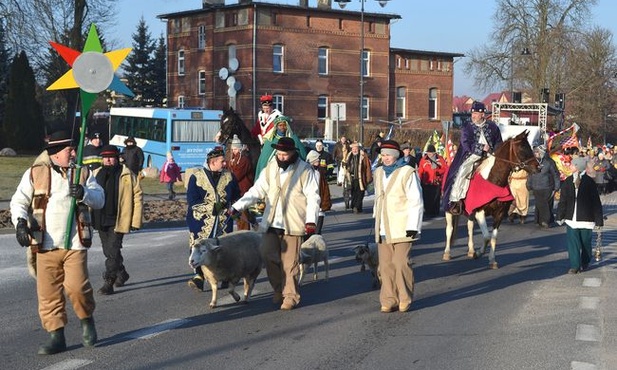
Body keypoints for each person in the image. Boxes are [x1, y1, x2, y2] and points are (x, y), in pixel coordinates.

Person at [10, 130, 104, 355]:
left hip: (74, 243)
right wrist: (21, 224)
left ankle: (86, 319)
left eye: (73, 149)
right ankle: (56, 336)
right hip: (45, 243)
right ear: (55, 153)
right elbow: (18, 201)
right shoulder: (35, 173)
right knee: (48, 293)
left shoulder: (82, 173)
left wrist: (83, 193)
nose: (73, 153)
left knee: (77, 287)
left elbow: (99, 199)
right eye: (68, 150)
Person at [230, 137, 320, 310]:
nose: (282, 157)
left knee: (290, 262)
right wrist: (237, 207)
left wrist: (310, 221)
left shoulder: (305, 170)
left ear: (293, 153)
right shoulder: (271, 168)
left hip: (293, 222)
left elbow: (313, 197)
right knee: (267, 254)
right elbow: (257, 190)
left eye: (285, 154)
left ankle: (290, 296)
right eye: (279, 154)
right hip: (272, 221)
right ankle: (278, 288)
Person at [372, 140, 423, 313]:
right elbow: (379, 198)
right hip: (383, 226)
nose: (385, 158)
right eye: (383, 155)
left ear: (395, 156)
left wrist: (413, 226)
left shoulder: (407, 172)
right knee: (385, 266)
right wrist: (376, 218)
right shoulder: (378, 172)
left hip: (402, 226)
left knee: (401, 263)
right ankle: (388, 299)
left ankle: (404, 297)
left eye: (388, 155)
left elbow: (415, 200)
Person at [186, 147, 241, 291]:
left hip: (223, 221)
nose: (225, 164)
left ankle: (224, 276)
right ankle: (199, 277)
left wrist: (236, 209)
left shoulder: (229, 176)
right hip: (201, 222)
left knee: (221, 249)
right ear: (213, 162)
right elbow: (193, 201)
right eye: (222, 161)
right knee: (199, 247)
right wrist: (212, 208)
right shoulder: (196, 177)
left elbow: (236, 195)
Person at [92, 145, 143, 295]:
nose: (108, 160)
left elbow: (137, 197)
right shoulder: (95, 173)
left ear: (117, 158)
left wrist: (135, 221)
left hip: (119, 219)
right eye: (105, 157)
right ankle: (122, 272)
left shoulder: (127, 175)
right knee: (108, 251)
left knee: (113, 251)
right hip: (100, 218)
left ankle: (109, 281)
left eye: (111, 157)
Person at [443, 101, 503, 215]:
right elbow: (465, 143)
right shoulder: (467, 127)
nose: (473, 116)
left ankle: (505, 199)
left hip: (490, 155)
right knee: (462, 171)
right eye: (472, 113)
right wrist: (481, 148)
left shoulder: (492, 126)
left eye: (476, 113)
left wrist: (495, 152)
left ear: (482, 114)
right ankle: (456, 200)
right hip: (471, 155)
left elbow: (498, 142)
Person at [556, 157, 604, 274]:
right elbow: (563, 200)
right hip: (571, 219)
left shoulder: (589, 182)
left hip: (586, 219)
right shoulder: (568, 181)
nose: (570, 166)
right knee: (573, 243)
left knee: (586, 243)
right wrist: (560, 215)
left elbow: (596, 202)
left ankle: (585, 261)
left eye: (572, 165)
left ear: (577, 166)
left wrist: (599, 221)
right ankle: (575, 266)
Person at [527, 145, 560, 229]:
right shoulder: (533, 162)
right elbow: (530, 174)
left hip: (547, 186)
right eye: (535, 152)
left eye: (537, 152)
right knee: (539, 203)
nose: (535, 153)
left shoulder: (549, 162)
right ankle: (538, 220)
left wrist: (557, 187)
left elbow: (555, 175)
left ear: (541, 153)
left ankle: (546, 221)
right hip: (536, 186)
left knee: (545, 204)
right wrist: (528, 184)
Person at [227, 134, 255, 230]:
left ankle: (245, 234)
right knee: (242, 214)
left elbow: (237, 175)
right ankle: (254, 226)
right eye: (232, 149)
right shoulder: (234, 159)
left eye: (235, 149)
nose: (233, 151)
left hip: (244, 190)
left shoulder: (244, 159)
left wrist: (228, 175)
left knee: (242, 214)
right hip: (238, 190)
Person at [342, 140, 373, 213]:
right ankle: (356, 207)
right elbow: (345, 165)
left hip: (361, 178)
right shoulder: (349, 155)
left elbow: (368, 167)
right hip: (352, 177)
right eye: (353, 149)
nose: (354, 150)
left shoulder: (363, 155)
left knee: (360, 193)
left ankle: (356, 206)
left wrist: (368, 178)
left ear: (358, 148)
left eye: (356, 148)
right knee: (353, 193)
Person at [306, 150, 332, 234]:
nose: (319, 161)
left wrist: (325, 202)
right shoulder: (307, 172)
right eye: (317, 160)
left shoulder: (319, 172)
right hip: (309, 206)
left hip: (320, 204)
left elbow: (324, 188)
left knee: (317, 231)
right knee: (310, 232)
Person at [418, 144, 447, 217]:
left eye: (431, 153)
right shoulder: (423, 160)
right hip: (426, 182)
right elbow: (420, 171)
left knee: (436, 197)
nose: (429, 154)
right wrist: (420, 180)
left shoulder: (440, 159)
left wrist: (438, 171)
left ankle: (435, 210)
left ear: (434, 153)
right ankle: (428, 210)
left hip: (436, 182)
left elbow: (445, 169)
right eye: (428, 153)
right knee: (427, 197)